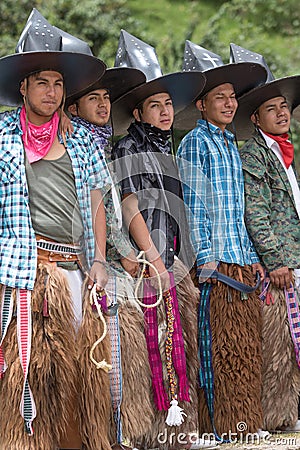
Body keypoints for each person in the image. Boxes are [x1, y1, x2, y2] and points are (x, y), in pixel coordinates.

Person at [0, 9, 112, 450]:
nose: (51, 91)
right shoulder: (4, 135)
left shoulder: (79, 138)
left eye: (59, 83)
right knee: (24, 374)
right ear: (23, 87)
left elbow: (98, 200)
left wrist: (100, 260)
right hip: (22, 270)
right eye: (42, 82)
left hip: (73, 268)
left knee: (78, 373)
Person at [112, 31, 218, 450]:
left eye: (168, 104)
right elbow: (130, 206)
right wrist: (153, 258)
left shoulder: (167, 150)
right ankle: (152, 435)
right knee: (151, 349)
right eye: (155, 105)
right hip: (144, 260)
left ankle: (179, 433)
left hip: (172, 258)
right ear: (138, 113)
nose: (164, 111)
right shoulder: (127, 148)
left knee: (180, 345)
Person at [176, 41, 268, 440]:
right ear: (201, 104)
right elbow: (195, 205)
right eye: (220, 98)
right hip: (215, 263)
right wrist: (207, 258)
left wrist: (251, 257)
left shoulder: (230, 143)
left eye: (232, 98)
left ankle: (246, 422)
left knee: (246, 348)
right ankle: (219, 426)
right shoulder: (195, 143)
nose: (229, 105)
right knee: (219, 350)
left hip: (240, 258)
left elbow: (239, 208)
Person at [66, 66, 157, 450]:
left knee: (119, 351)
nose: (103, 105)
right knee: (104, 352)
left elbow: (117, 206)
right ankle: (105, 436)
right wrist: (124, 253)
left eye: (106, 98)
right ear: (74, 109)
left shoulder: (102, 142)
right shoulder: (77, 141)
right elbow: (93, 207)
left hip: (112, 258)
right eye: (93, 99)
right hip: (88, 260)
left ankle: (117, 434)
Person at [231, 43, 300, 432]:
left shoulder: (282, 152)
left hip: (294, 256)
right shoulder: (256, 153)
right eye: (272, 108)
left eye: (284, 106)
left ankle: (290, 410)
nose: (282, 112)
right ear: (256, 118)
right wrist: (275, 260)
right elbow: (255, 211)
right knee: (278, 342)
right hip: (281, 263)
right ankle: (277, 415)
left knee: (293, 338)